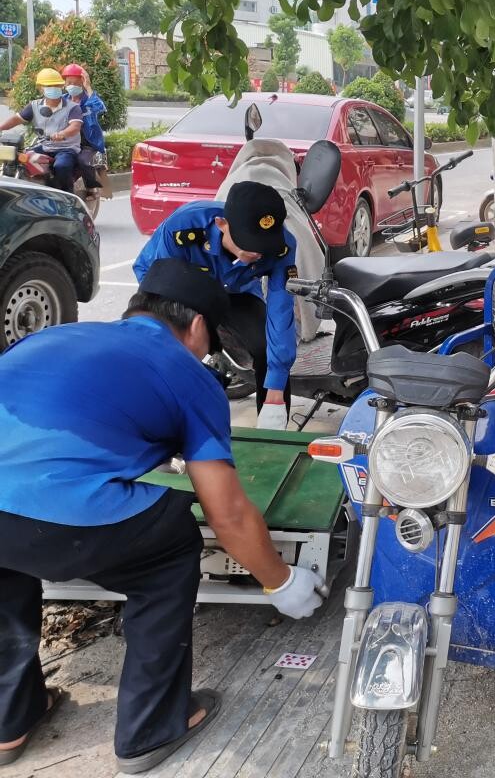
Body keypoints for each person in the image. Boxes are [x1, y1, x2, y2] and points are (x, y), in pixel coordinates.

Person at [0, 259, 325, 774]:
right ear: (196, 326)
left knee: (7, 568)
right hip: (60, 522)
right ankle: (150, 728)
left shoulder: (53, 337)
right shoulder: (187, 373)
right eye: (209, 342)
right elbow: (228, 513)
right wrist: (281, 581)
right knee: (170, 545)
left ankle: (7, 721)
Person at [134, 181, 298, 429]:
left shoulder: (282, 245)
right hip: (173, 286)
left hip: (236, 291)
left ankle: (273, 432)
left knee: (265, 346)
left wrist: (276, 382)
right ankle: (162, 423)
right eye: (248, 243)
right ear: (222, 224)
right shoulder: (184, 229)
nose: (258, 253)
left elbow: (281, 308)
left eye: (264, 247)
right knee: (169, 348)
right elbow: (162, 297)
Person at [0, 68, 83, 194]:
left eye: (56, 85)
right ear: (41, 88)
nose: (53, 88)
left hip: (66, 148)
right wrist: (0, 127)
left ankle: (68, 196)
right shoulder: (34, 106)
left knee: (61, 166)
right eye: (49, 85)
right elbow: (16, 119)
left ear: (61, 86)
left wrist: (62, 134)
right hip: (44, 146)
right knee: (19, 159)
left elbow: (75, 127)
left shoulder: (73, 107)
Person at [61, 63, 109, 198]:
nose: (72, 85)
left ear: (82, 83)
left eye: (76, 83)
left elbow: (100, 107)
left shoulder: (89, 98)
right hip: (67, 142)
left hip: (87, 142)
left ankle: (91, 187)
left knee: (83, 160)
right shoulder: (62, 100)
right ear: (64, 83)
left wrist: (89, 87)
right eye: (69, 82)